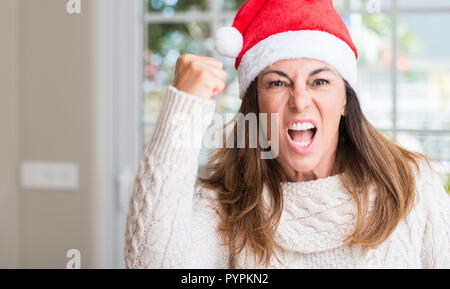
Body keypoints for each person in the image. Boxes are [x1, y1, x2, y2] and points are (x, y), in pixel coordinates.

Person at [124, 0, 450, 268]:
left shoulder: (412, 184)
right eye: (278, 83)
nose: (299, 100)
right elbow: (151, 263)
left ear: (345, 103)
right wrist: (182, 109)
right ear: (256, 107)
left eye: (319, 81)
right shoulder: (225, 204)